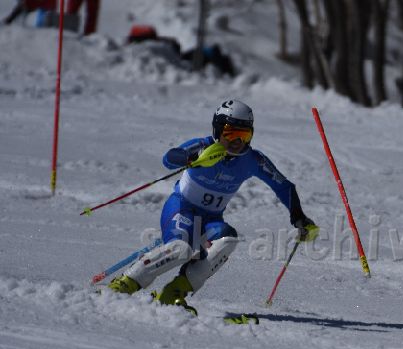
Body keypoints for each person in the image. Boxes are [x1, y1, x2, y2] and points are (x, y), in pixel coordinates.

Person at [107, 100, 318, 314]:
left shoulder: (253, 160)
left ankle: (174, 293)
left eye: (244, 135)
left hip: (211, 219)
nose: (237, 141)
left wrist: (298, 217)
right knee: (181, 249)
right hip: (182, 208)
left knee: (228, 240)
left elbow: (283, 186)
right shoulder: (203, 146)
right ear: (217, 130)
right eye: (230, 133)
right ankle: (124, 284)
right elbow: (169, 158)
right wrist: (194, 157)